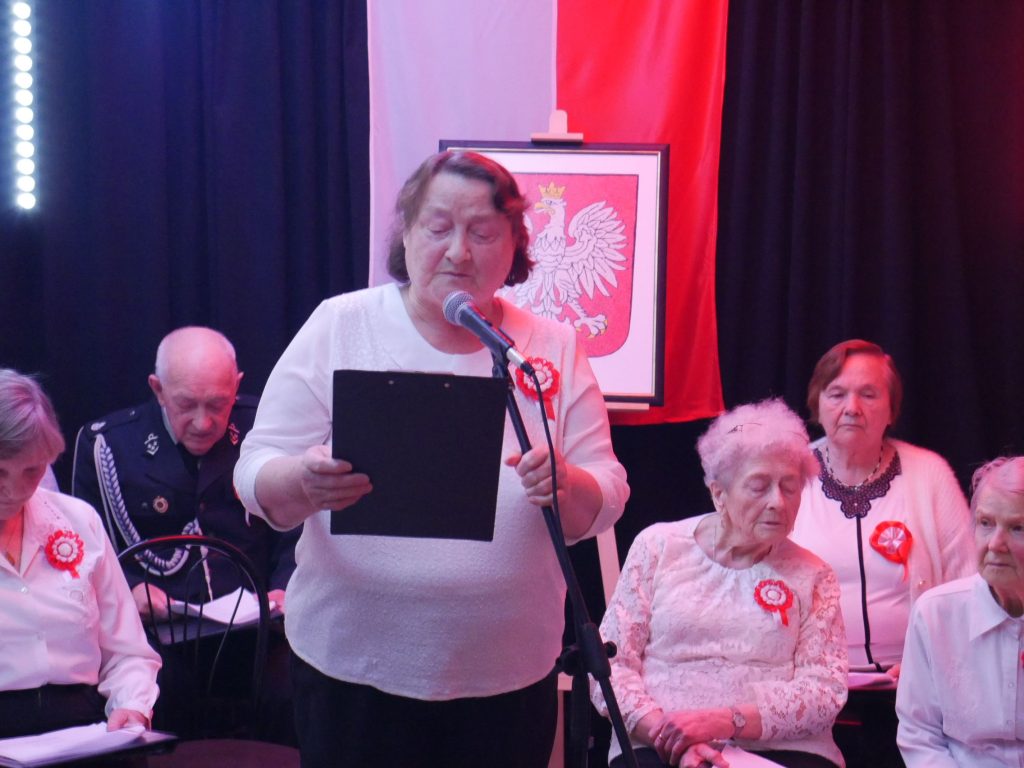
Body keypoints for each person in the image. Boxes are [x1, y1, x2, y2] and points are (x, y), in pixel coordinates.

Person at [233, 150, 629, 767]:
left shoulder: (549, 347)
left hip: (505, 677)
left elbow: (607, 489)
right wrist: (301, 482)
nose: (459, 252)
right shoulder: (342, 325)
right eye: (438, 228)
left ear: (515, 246)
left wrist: (569, 484)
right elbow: (255, 469)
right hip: (353, 672)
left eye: (482, 233)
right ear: (407, 235)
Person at [70, 326, 299, 744]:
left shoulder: (264, 430)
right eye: (186, 404)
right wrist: (131, 588)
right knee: (159, 695)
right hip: (162, 637)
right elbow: (85, 550)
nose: (203, 422)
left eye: (218, 404)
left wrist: (285, 587)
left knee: (297, 691)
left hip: (260, 631)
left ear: (237, 386)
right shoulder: (108, 446)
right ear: (158, 390)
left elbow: (297, 530)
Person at [592, 399, 847, 768]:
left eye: (789, 487)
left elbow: (824, 691)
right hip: (657, 742)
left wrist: (725, 721)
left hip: (781, 749)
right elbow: (611, 666)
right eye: (759, 486)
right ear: (719, 494)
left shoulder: (814, 575)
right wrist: (674, 740)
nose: (777, 502)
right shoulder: (658, 547)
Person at [788, 339, 974, 766]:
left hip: (915, 692)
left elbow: (969, 590)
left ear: (891, 409)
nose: (852, 407)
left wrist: (932, 663)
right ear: (817, 404)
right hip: (810, 691)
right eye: (837, 393)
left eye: (869, 394)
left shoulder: (929, 473)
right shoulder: (790, 473)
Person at [0, 368, 160, 738]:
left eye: (31, 471)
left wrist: (132, 706)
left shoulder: (78, 520)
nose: (13, 490)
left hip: (82, 727)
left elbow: (128, 651)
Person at [896, 456, 1024, 767]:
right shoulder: (936, 613)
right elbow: (919, 734)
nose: (995, 544)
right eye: (985, 523)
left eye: (1017, 528)